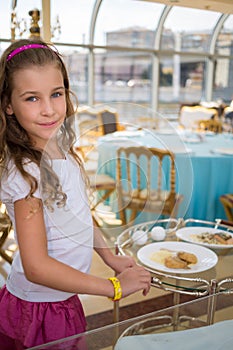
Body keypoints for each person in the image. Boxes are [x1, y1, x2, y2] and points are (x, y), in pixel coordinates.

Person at [0, 39, 151, 349]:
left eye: (56, 94)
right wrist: (114, 288)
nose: (49, 109)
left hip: (64, 298)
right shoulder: (26, 174)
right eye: (32, 98)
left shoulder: (62, 151)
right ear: (8, 105)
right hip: (39, 310)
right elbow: (37, 267)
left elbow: (78, 218)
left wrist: (110, 258)